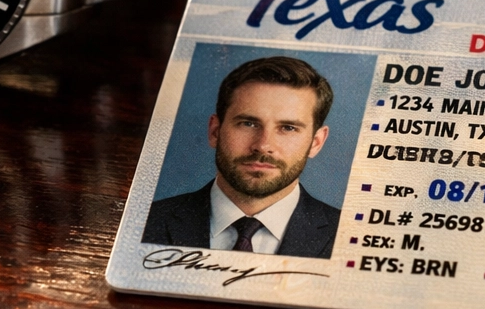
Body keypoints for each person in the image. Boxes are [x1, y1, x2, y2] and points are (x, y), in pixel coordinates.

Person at [142, 56, 341, 258]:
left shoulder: (346, 237)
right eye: (248, 123)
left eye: (288, 128)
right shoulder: (145, 221)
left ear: (316, 142)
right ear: (215, 131)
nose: (263, 146)